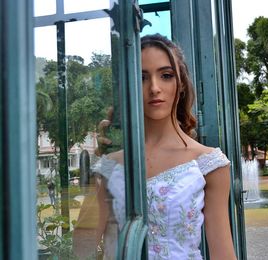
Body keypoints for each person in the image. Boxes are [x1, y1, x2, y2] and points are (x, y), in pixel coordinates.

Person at [74, 34, 236, 259]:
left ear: (180, 85)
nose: (154, 88)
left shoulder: (208, 164)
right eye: (142, 78)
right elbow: (82, 245)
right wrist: (98, 172)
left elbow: (223, 254)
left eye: (166, 75)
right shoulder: (111, 165)